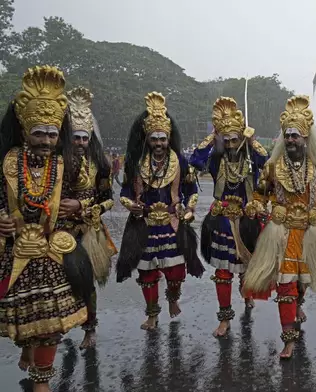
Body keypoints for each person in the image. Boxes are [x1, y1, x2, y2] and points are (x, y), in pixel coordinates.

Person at [0, 66, 91, 391]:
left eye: (52, 135)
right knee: (23, 322)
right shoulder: (8, 163)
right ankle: (27, 348)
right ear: (25, 131)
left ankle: (42, 381)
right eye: (39, 134)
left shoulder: (68, 163)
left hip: (53, 253)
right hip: (16, 252)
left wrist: (79, 205)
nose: (47, 141)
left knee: (51, 324)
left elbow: (88, 195)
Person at [243, 95, 316, 359]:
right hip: (280, 234)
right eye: (287, 135)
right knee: (285, 285)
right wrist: (255, 206)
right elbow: (259, 195)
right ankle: (289, 338)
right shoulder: (271, 168)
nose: (291, 140)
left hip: (310, 233)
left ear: (306, 138)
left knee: (303, 282)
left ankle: (299, 303)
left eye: (296, 136)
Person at [116, 92, 203, 330]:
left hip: (172, 223)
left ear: (168, 139)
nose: (158, 144)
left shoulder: (180, 161)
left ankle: (173, 298)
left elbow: (192, 189)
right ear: (147, 138)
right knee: (147, 275)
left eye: (162, 139)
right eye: (154, 139)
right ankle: (152, 314)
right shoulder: (136, 163)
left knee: (175, 272)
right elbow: (124, 192)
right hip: (144, 225)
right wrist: (130, 205)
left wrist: (190, 208)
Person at [189, 97, 267, 337]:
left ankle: (247, 295)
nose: (232, 144)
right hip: (222, 219)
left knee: (245, 266)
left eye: (235, 139)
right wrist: (213, 137)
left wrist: (252, 141)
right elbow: (195, 160)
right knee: (222, 272)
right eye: (227, 140)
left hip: (247, 218)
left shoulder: (250, 159)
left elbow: (267, 161)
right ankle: (224, 318)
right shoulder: (216, 159)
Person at [61, 86, 117, 349]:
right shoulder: (56, 162)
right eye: (76, 137)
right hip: (58, 230)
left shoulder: (101, 165)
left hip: (87, 231)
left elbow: (108, 200)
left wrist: (83, 207)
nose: (80, 143)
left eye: (84, 138)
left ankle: (90, 329)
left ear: (91, 137)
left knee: (86, 282)